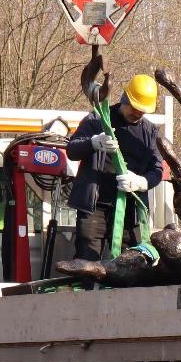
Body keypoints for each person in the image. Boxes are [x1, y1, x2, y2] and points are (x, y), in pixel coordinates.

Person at [66, 73, 165, 261]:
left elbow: (157, 170)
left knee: (129, 265)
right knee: (87, 260)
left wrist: (141, 182)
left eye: (142, 111)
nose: (137, 113)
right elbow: (72, 150)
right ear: (124, 98)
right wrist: (93, 143)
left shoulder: (150, 132)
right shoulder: (97, 119)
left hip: (129, 212)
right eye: (134, 108)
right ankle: (89, 290)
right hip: (94, 208)